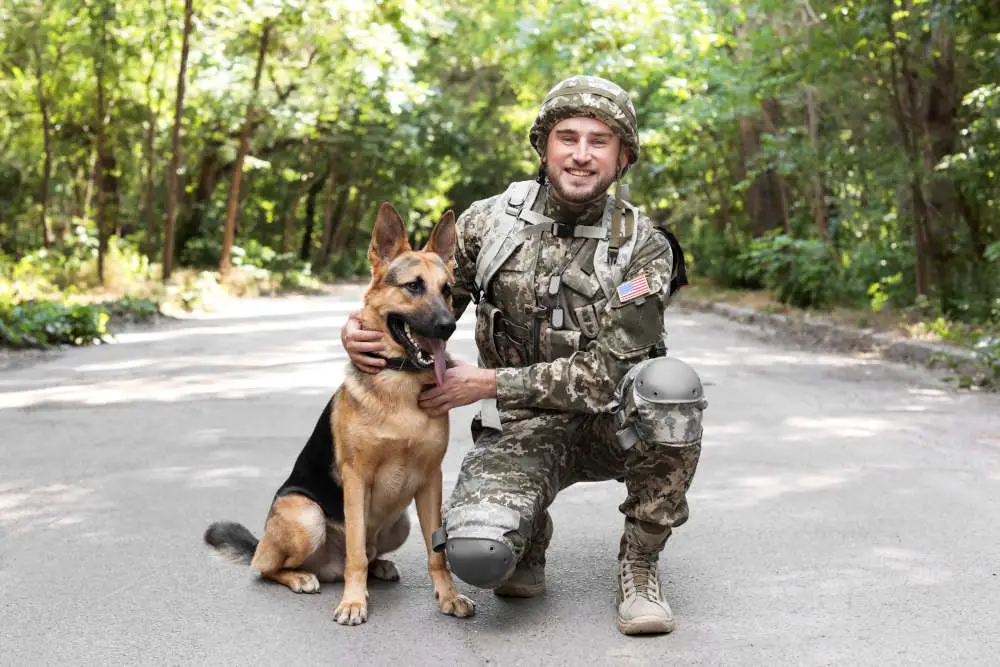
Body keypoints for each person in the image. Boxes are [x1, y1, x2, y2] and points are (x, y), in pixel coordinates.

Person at [341, 75, 706, 636]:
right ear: (544, 145)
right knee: (478, 557)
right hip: (524, 429)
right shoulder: (488, 224)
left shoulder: (644, 247)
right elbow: (428, 309)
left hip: (614, 428)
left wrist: (487, 383)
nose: (581, 155)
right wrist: (361, 332)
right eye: (568, 137)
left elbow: (608, 375)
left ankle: (639, 563)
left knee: (671, 387)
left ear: (623, 156)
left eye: (600, 141)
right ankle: (526, 533)